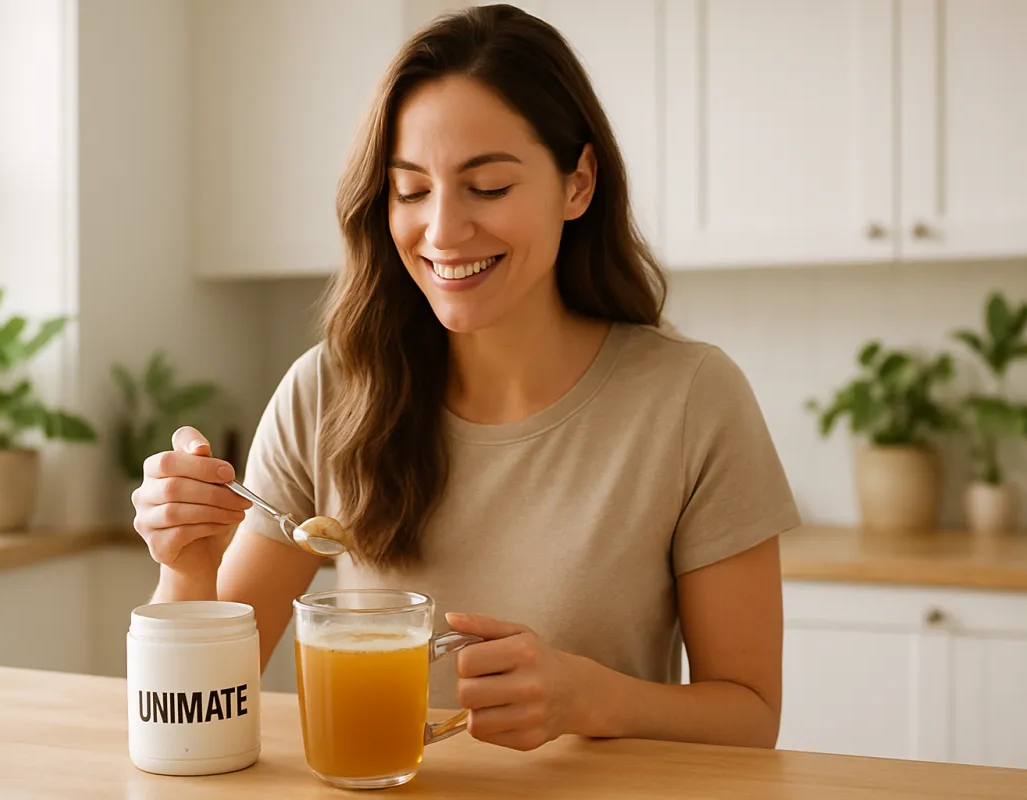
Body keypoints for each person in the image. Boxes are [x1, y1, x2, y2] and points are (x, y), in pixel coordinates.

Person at [131, 4, 800, 753]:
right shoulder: (327, 393)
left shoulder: (690, 400)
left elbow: (750, 717)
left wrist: (591, 699)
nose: (443, 231)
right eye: (412, 190)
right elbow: (193, 722)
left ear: (577, 184)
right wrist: (188, 572)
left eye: (487, 187)